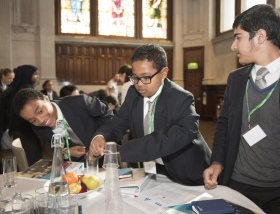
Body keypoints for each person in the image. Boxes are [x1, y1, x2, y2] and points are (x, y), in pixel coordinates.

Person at [90, 44, 211, 185]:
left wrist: (123, 151)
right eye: (135, 78)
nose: (139, 84)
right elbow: (119, 121)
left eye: (146, 77)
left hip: (187, 173)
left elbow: (181, 133)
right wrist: (102, 136)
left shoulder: (181, 98)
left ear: (164, 73)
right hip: (153, 171)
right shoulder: (133, 93)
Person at [202, 5, 280, 213]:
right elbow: (224, 124)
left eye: (238, 37)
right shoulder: (236, 79)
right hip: (237, 185)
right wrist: (217, 161)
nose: (233, 46)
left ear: (260, 36)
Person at [12, 88, 114, 165]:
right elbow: (52, 146)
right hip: (79, 168)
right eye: (33, 120)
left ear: (46, 99)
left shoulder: (80, 102)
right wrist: (66, 151)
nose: (41, 120)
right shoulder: (38, 128)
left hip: (108, 159)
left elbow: (109, 115)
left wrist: (101, 136)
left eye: (40, 111)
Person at [7, 65, 41, 166]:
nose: (37, 77)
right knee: (33, 163)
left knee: (27, 161)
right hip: (27, 132)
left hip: (19, 130)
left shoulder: (15, 88)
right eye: (35, 74)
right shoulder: (27, 90)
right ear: (27, 75)